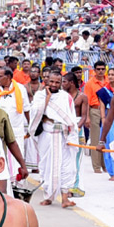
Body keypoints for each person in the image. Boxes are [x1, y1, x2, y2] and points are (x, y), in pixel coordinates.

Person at [28, 70, 77, 208]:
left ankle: (65, 198)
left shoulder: (65, 97)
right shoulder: (39, 95)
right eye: (52, 82)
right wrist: (47, 98)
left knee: (67, 166)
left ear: (61, 83)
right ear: (47, 81)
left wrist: (72, 136)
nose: (54, 85)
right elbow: (36, 112)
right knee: (46, 166)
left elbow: (71, 117)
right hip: (47, 135)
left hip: (63, 135)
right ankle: (48, 196)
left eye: (57, 82)